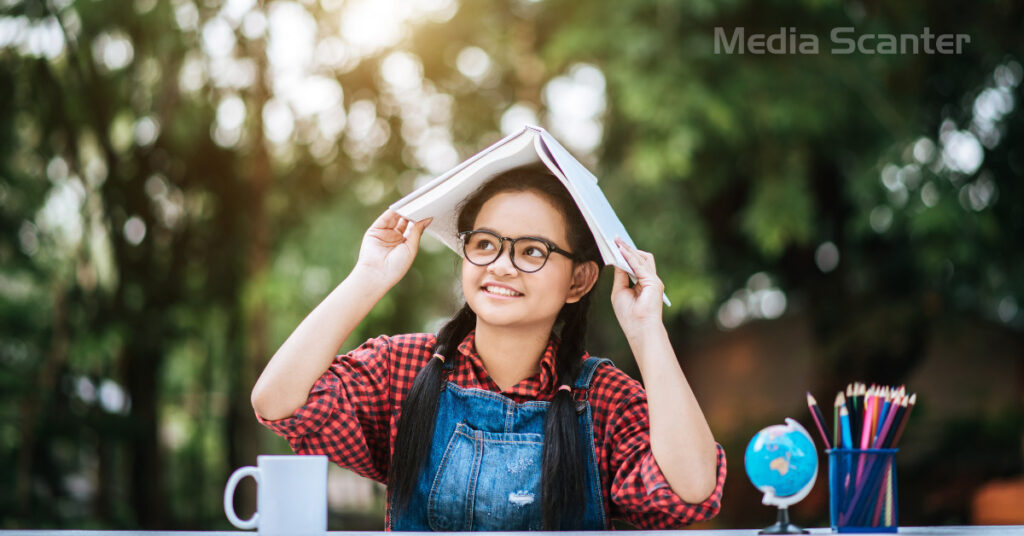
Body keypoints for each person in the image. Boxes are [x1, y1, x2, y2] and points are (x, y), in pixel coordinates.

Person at [251, 166, 726, 530]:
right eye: (485, 243)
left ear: (579, 280)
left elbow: (690, 491)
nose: (500, 265)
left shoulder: (602, 398)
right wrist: (369, 276)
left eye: (532, 251)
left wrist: (646, 329)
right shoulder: (405, 367)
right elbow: (278, 402)